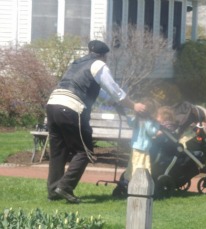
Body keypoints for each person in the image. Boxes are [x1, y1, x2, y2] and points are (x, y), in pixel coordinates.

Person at [46, 40, 146, 203]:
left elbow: (96, 91)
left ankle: (53, 191)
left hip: (52, 105)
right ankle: (65, 187)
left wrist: (113, 103)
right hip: (71, 107)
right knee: (84, 152)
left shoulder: (77, 63)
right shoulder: (99, 65)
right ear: (103, 55)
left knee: (59, 151)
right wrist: (134, 105)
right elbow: (115, 91)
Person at [123, 98, 161, 182]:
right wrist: (157, 126)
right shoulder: (148, 121)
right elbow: (151, 132)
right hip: (143, 148)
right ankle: (137, 181)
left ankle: (128, 179)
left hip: (135, 146)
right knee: (141, 165)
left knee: (133, 163)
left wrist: (124, 114)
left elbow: (130, 122)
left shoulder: (137, 119)